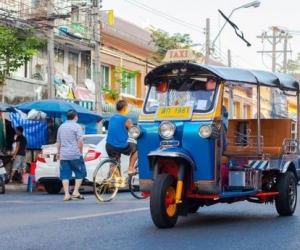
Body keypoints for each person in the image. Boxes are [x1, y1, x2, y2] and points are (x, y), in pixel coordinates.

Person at [56, 109, 87, 201]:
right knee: (80, 172)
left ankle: (66, 194)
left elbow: (58, 141)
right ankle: (75, 191)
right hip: (75, 154)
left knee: (65, 174)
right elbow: (80, 141)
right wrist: (80, 151)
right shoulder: (77, 126)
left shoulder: (61, 127)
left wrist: (58, 152)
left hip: (64, 155)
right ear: (75, 117)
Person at [106, 100, 138, 175]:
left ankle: (112, 181)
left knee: (114, 163)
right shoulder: (126, 120)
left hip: (109, 145)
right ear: (125, 108)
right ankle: (131, 168)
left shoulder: (112, 117)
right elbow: (134, 132)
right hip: (120, 146)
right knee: (137, 148)